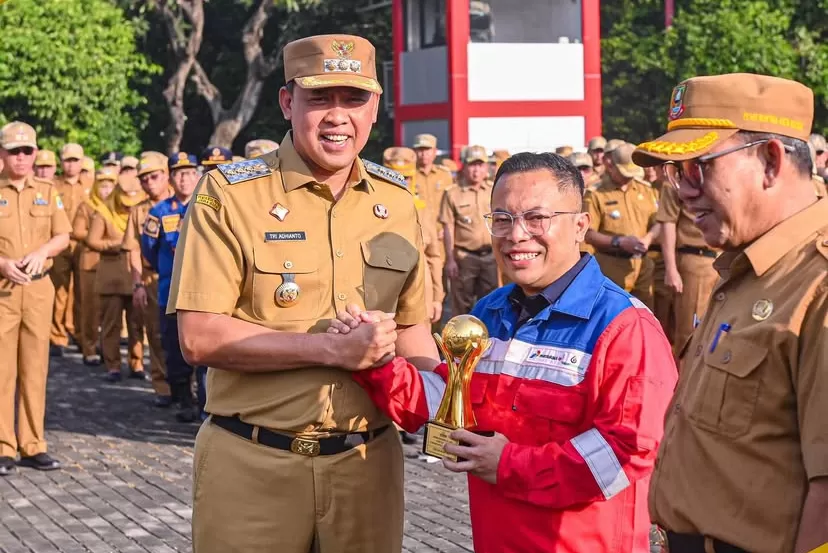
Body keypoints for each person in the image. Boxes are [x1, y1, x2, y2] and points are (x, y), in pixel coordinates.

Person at [167, 33, 439, 553]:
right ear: (288, 102)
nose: (338, 116)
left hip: (367, 467)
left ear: (375, 106)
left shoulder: (399, 200)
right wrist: (330, 350)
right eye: (320, 98)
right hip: (253, 465)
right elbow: (199, 337)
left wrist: (446, 399)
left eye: (354, 98)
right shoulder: (231, 194)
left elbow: (411, 328)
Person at [334, 152, 677, 553]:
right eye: (502, 219)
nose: (516, 235)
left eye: (536, 218)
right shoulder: (490, 313)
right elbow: (447, 402)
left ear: (580, 225)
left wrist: (509, 465)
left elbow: (627, 453)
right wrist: (374, 361)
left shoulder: (625, 328)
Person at [633, 73, 828, 553]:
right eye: (675, 175)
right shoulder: (750, 263)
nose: (682, 191)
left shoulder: (817, 283)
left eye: (697, 169)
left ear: (769, 160)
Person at [0, 122, 71, 475]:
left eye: (28, 151)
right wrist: (2, 264)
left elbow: (64, 235)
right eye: (15, 151)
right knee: (2, 371)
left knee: (35, 369)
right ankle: (3, 445)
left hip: (39, 289)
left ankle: (33, 443)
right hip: (4, 292)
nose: (23, 157)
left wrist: (44, 251)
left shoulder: (47, 190)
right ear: (2, 154)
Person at [140, 152, 207, 422]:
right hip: (171, 292)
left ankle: (207, 404)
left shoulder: (209, 205)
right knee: (174, 349)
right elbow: (149, 249)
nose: (185, 178)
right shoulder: (159, 212)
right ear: (170, 177)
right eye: (179, 173)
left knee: (204, 352)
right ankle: (184, 400)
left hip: (204, 294)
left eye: (190, 172)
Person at [583, 143, 660, 308]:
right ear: (610, 165)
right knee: (611, 315)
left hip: (643, 267)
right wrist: (619, 242)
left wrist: (648, 238)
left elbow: (659, 223)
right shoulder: (596, 193)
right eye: (625, 172)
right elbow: (588, 234)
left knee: (645, 317)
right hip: (611, 267)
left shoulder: (646, 191)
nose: (629, 177)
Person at [122, 153, 172, 405]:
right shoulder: (138, 210)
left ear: (166, 175)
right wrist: (137, 283)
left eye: (154, 176)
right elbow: (132, 249)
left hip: (180, 275)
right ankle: (162, 385)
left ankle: (187, 387)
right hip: (152, 278)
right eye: (144, 179)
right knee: (156, 332)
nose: (149, 182)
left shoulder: (183, 202)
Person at [86, 182, 146, 382]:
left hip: (135, 274)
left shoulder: (143, 210)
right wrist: (116, 244)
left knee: (136, 323)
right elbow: (92, 240)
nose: (128, 208)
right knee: (111, 324)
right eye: (125, 203)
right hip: (111, 277)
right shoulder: (104, 211)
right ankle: (113, 365)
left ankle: (136, 363)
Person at [441, 144, 498, 316]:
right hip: (464, 258)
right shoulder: (452, 193)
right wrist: (450, 260)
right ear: (464, 166)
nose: (476, 170)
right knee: (461, 307)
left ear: (486, 167)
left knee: (492, 305)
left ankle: (490, 342)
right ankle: (459, 341)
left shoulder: (493, 190)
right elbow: (448, 226)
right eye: (472, 165)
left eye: (480, 165)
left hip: (490, 257)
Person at [72, 167, 118, 366]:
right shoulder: (87, 206)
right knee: (89, 308)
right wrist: (97, 235)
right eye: (103, 186)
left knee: (109, 310)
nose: (106, 190)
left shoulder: (117, 208)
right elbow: (77, 231)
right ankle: (89, 347)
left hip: (112, 264)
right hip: (90, 262)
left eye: (110, 186)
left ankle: (107, 350)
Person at [49, 143, 85, 357]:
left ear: (81, 162)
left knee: (82, 292)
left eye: (75, 160)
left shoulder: (91, 185)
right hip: (59, 243)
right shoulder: (52, 186)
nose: (71, 165)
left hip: (83, 244)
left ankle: (81, 334)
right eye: (67, 160)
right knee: (59, 291)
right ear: (61, 163)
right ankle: (57, 336)